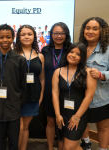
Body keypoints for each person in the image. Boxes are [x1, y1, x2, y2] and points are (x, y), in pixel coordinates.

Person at [0, 24, 27, 150]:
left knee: (14, 140)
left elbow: (23, 84)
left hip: (13, 106)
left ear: (13, 38)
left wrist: (20, 102)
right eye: (1, 37)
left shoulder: (19, 60)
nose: (5, 40)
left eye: (8, 37)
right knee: (0, 140)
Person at [52, 42, 96, 150]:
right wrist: (57, 115)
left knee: (69, 147)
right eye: (71, 52)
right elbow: (55, 93)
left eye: (78, 54)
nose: (73, 55)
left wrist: (77, 117)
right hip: (62, 114)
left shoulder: (88, 72)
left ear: (83, 57)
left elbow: (89, 97)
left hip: (78, 115)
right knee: (61, 146)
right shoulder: (58, 71)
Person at [79, 17, 109, 150]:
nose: (90, 31)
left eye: (95, 29)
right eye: (87, 28)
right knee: (81, 121)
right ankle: (86, 145)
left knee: (103, 127)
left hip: (101, 99)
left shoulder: (107, 51)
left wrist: (102, 75)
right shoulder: (78, 48)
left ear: (101, 32)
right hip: (79, 96)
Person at [41, 22, 72, 150]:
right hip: (49, 91)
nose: (59, 36)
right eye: (56, 33)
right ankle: (50, 147)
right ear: (51, 34)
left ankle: (61, 148)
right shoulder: (45, 50)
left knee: (64, 122)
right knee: (51, 121)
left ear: (66, 34)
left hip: (66, 91)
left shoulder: (71, 50)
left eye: (62, 33)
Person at [14, 25, 45, 150]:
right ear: (19, 37)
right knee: (18, 127)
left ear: (34, 36)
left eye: (29, 34)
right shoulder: (13, 54)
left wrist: (41, 97)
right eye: (23, 34)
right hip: (16, 97)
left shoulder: (40, 56)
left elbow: (42, 78)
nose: (26, 37)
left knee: (25, 127)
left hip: (33, 96)